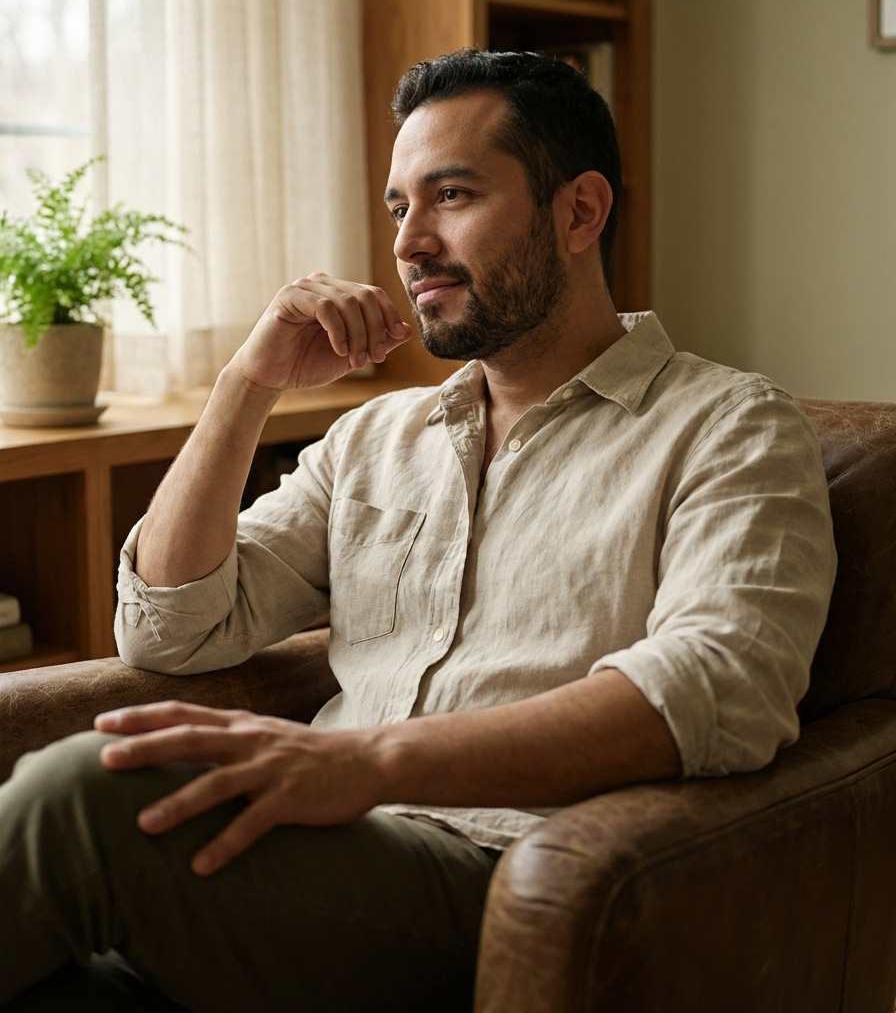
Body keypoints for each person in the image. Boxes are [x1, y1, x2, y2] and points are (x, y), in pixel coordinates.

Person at [0, 50, 836, 1013]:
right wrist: (247, 386)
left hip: (512, 882)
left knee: (88, 797)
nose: (409, 242)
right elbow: (169, 627)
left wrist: (362, 762)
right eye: (400, 207)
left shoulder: (729, 426)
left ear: (579, 212)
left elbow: (722, 686)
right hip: (315, 871)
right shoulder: (375, 438)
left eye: (452, 195)